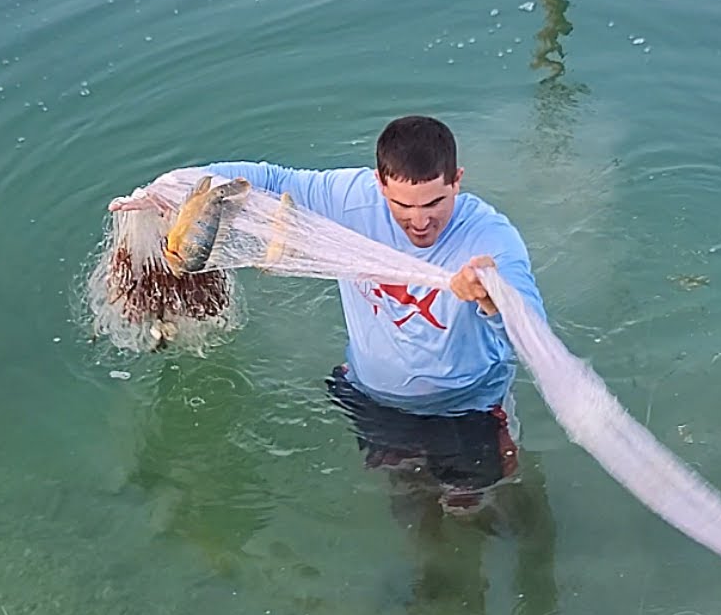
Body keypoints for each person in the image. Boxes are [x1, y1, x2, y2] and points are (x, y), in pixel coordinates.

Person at [109, 115, 548, 514]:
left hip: (465, 407)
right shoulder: (349, 200)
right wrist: (170, 189)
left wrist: (492, 297)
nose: (418, 221)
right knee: (404, 490)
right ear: (379, 183)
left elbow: (530, 323)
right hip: (375, 397)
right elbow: (269, 180)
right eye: (403, 206)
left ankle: (528, 536)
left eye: (434, 203)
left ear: (457, 181)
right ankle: (429, 581)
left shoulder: (490, 238)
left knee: (471, 503)